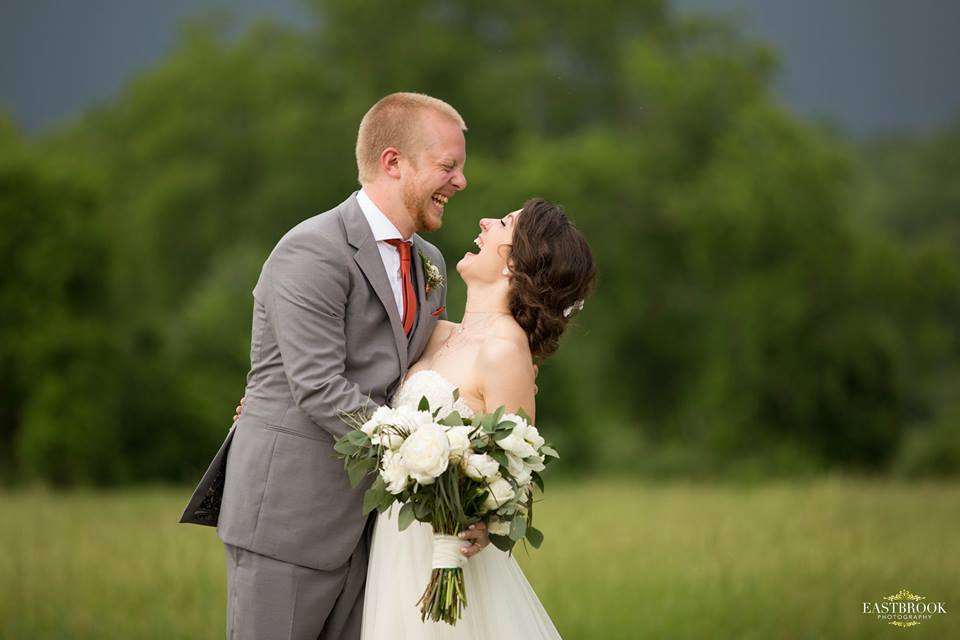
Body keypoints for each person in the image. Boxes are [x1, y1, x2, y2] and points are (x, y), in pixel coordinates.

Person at [179, 92, 491, 640]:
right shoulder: (312, 250)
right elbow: (319, 388)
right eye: (449, 166)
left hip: (377, 532)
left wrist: (466, 483)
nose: (460, 181)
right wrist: (431, 463)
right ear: (394, 162)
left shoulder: (431, 264)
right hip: (289, 521)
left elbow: (427, 380)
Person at [361, 198, 596, 639]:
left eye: (503, 222)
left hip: (447, 555)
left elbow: (517, 469)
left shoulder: (505, 352)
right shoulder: (438, 334)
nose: (485, 221)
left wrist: (483, 525)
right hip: (395, 546)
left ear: (515, 262)